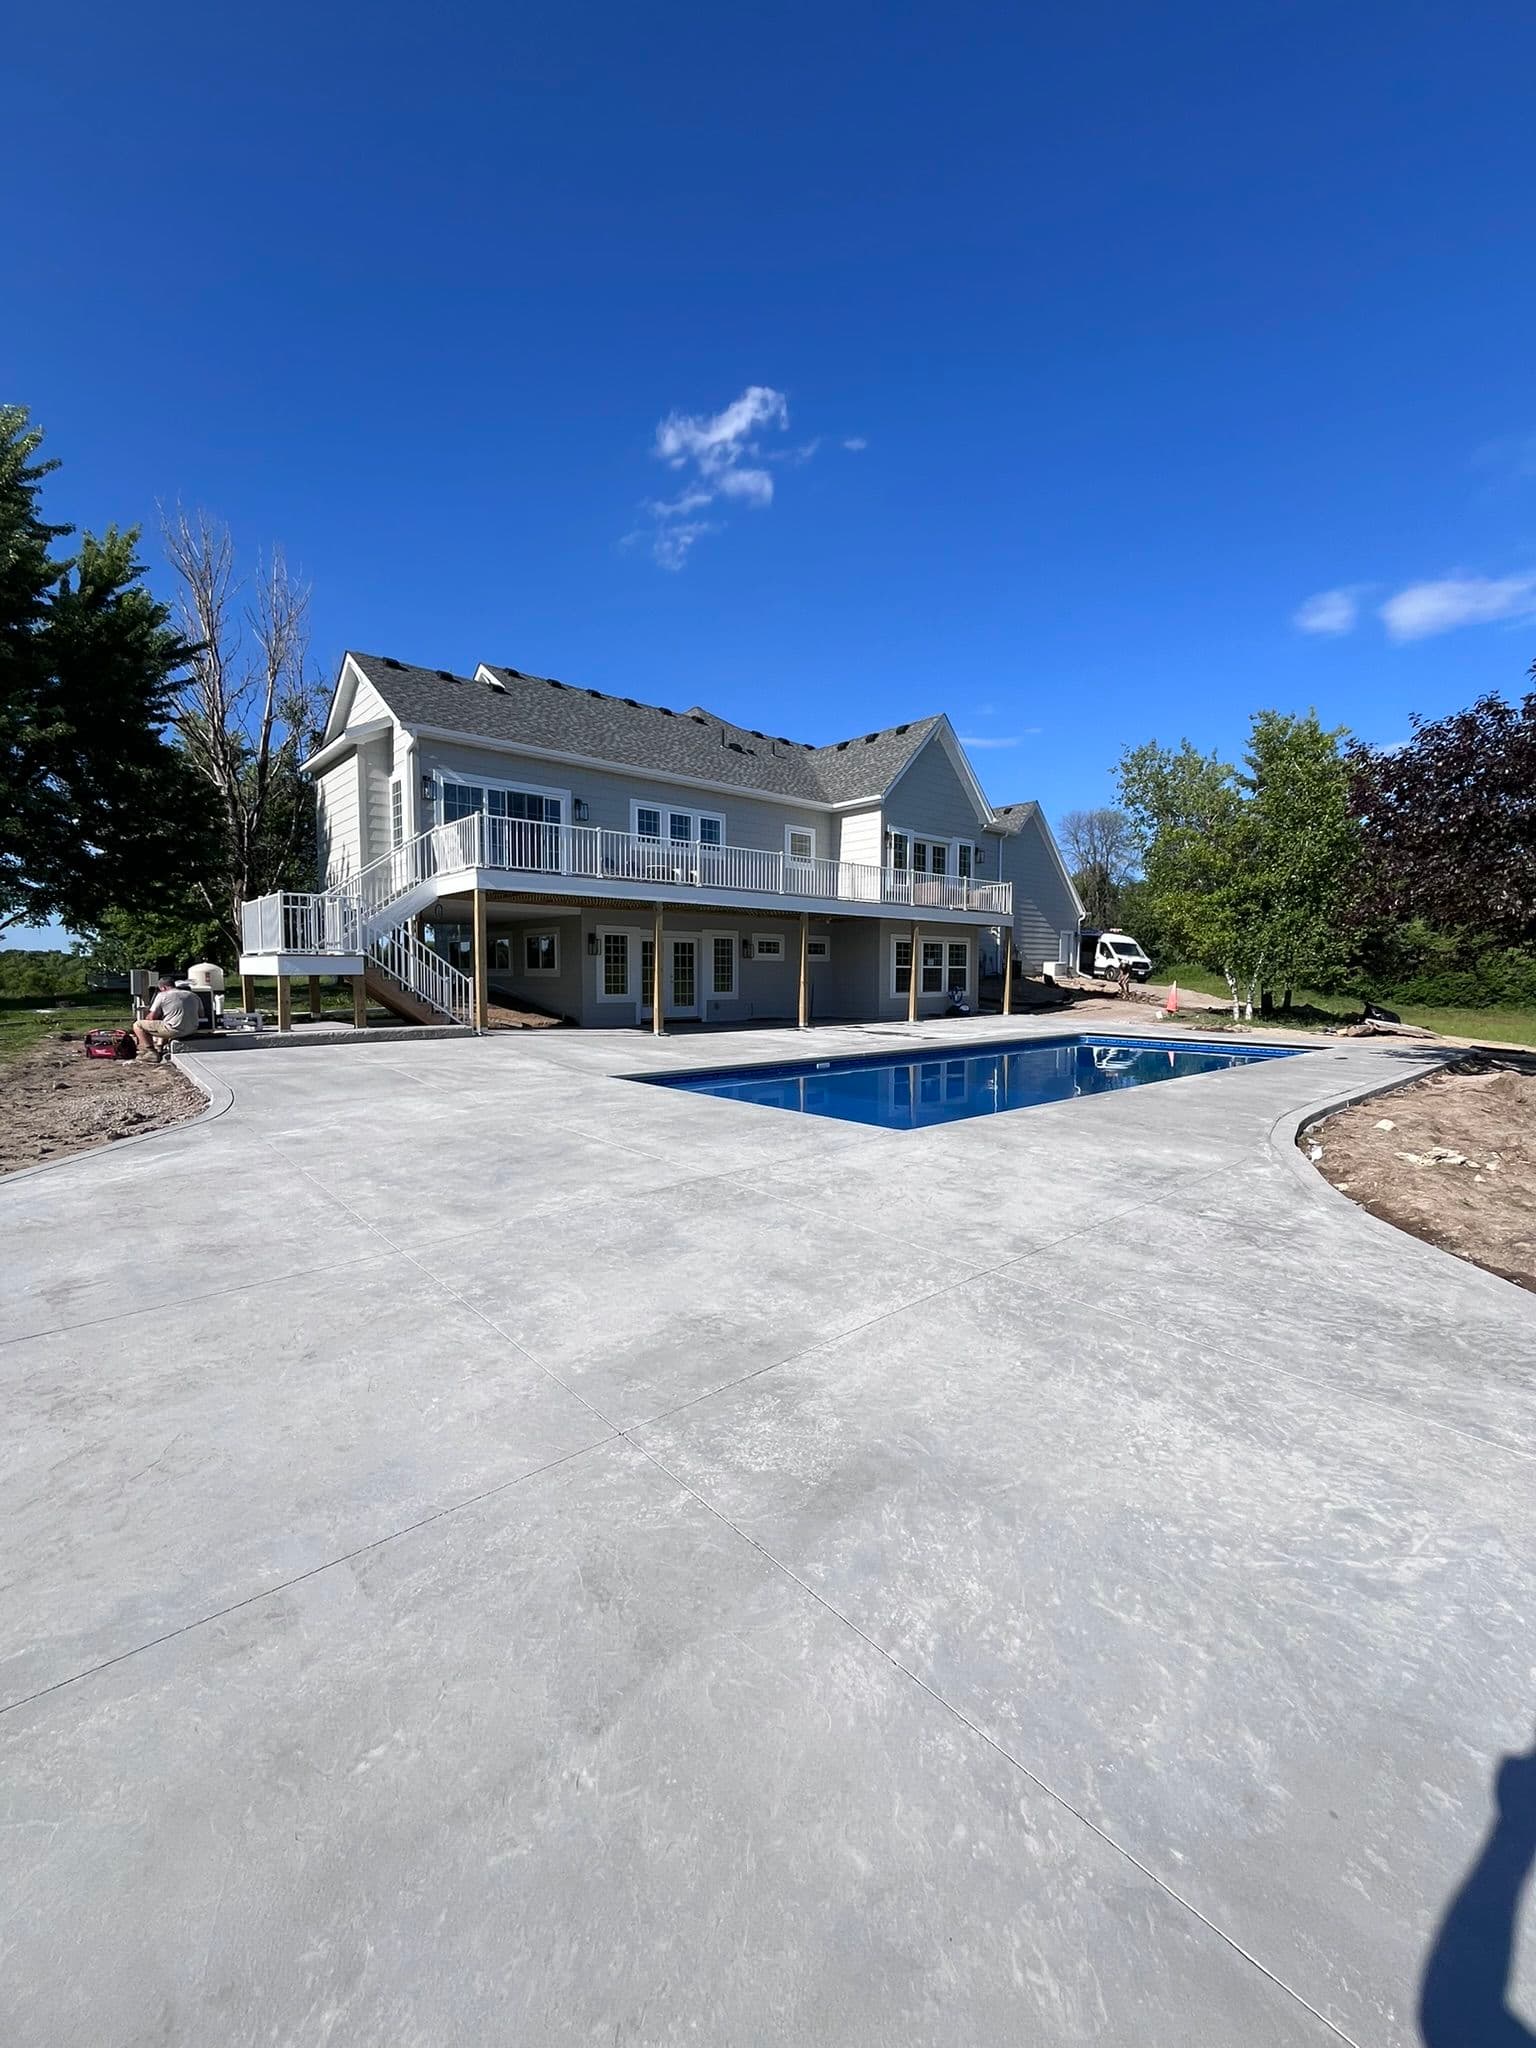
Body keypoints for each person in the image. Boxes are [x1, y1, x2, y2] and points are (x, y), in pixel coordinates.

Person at [133, 977, 204, 1061]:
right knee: (166, 1022)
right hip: (191, 1029)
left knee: (138, 1025)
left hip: (174, 1030)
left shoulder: (162, 995)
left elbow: (152, 1018)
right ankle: (160, 1048)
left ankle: (150, 1052)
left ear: (163, 987)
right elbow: (201, 1014)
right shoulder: (193, 995)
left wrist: (148, 1016)